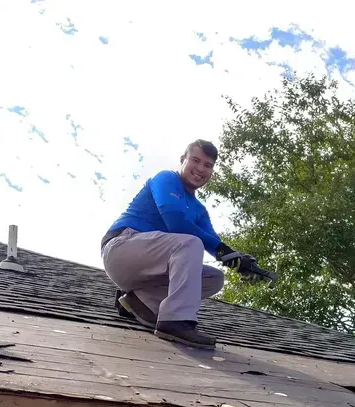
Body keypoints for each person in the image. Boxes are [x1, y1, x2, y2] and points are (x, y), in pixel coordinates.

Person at [99, 139, 258, 349]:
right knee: (190, 243)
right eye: (196, 160)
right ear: (183, 160)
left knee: (214, 278)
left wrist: (237, 260)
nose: (201, 169)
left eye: (208, 165)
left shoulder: (199, 210)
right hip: (121, 248)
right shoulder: (166, 178)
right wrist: (223, 250)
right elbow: (175, 221)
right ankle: (174, 321)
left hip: (148, 269)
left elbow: (214, 245)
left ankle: (138, 302)